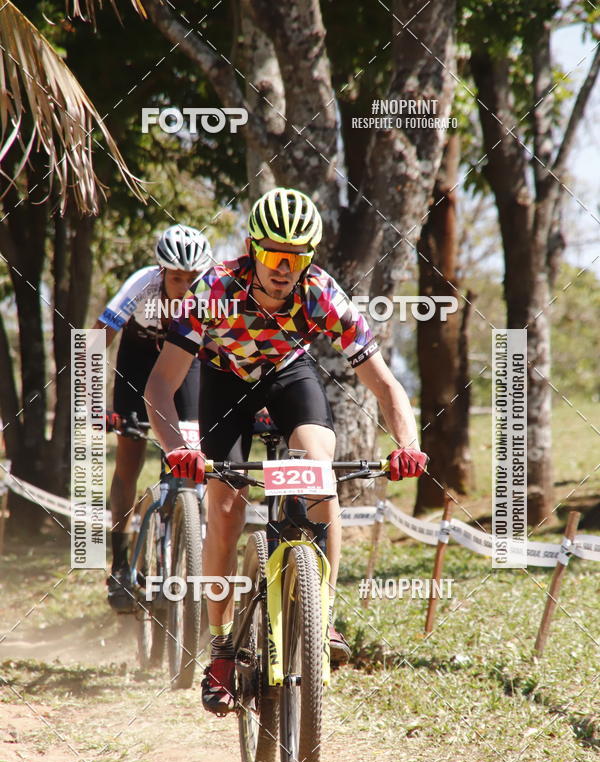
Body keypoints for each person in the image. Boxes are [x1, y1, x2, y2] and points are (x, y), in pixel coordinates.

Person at [145, 188, 427, 714]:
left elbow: (386, 385)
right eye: (273, 254)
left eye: (296, 257)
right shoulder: (212, 289)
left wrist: (408, 445)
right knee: (225, 505)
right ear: (253, 249)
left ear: (310, 258)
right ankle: (223, 646)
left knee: (319, 472)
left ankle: (322, 614)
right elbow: (160, 386)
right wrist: (177, 448)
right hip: (225, 379)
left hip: (288, 377)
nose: (283, 267)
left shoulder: (322, 294)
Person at [93, 224, 212, 612]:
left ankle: (192, 540)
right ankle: (121, 566)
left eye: (194, 278)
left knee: (195, 459)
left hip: (183, 365)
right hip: (137, 364)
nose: (186, 286)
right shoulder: (142, 285)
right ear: (162, 272)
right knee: (128, 462)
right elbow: (98, 337)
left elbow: (236, 347)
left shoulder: (214, 292)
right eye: (178, 278)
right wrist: (92, 403)